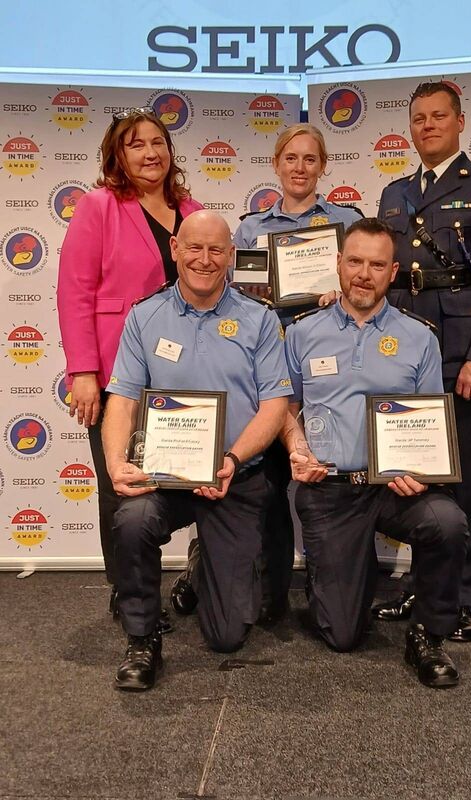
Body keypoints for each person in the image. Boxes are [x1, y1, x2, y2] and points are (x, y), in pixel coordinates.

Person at [170, 124, 363, 623]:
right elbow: (225, 292)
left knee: (327, 481)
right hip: (264, 366)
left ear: (323, 166)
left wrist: (339, 294)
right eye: (291, 158)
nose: (300, 168)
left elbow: (366, 281)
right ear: (276, 164)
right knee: (267, 483)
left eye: (310, 159)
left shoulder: (346, 221)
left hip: (328, 370)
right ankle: (265, 591)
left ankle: (336, 591)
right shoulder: (251, 229)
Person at [103, 210, 292, 691]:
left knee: (228, 637)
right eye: (193, 248)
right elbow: (122, 398)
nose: (204, 260)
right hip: (165, 475)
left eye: (215, 250)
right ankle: (143, 638)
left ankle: (204, 561)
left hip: (234, 477)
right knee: (131, 519)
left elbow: (274, 405)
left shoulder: (260, 319)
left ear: (231, 254)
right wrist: (114, 463)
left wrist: (229, 461)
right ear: (174, 250)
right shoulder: (145, 316)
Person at [281, 218, 468, 688]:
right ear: (338, 264)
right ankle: (341, 579)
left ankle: (428, 634)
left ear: (393, 272)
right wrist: (296, 447)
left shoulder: (419, 336)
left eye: (377, 265)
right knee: (342, 635)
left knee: (447, 521)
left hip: (392, 488)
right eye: (356, 261)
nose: (364, 273)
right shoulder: (302, 333)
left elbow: (429, 423)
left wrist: (422, 472)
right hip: (330, 489)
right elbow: (284, 407)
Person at [373, 82, 471, 640]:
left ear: (460, 122)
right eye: (419, 119)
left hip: (459, 355)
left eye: (439, 116)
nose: (428, 126)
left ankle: (465, 596)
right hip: (403, 355)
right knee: (415, 477)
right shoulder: (394, 195)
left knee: (463, 480)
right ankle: (423, 585)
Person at [56, 108, 203, 623]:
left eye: (158, 142)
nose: (150, 153)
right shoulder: (99, 207)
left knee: (186, 483)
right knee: (121, 484)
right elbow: (75, 292)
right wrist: (84, 371)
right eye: (136, 144)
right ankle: (129, 592)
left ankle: (198, 575)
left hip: (187, 375)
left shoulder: (191, 209)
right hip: (119, 373)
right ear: (118, 155)